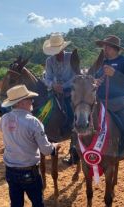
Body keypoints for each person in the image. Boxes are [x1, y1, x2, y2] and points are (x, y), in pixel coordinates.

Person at [0, 84, 58, 207]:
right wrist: (54, 147)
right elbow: (46, 149)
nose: (32, 102)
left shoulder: (4, 119)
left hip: (11, 170)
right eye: (29, 99)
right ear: (21, 102)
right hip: (29, 171)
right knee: (38, 205)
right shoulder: (33, 122)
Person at [94, 35, 124, 175]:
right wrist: (95, 82)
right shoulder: (101, 63)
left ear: (116, 49)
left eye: (108, 47)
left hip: (120, 102)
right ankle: (76, 152)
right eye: (104, 46)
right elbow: (96, 77)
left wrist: (115, 73)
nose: (105, 49)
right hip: (101, 103)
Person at [42, 32, 78, 165]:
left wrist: (64, 86)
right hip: (54, 90)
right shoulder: (49, 61)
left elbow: (76, 75)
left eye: (59, 50)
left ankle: (73, 148)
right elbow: (47, 78)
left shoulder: (71, 58)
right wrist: (53, 85)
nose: (57, 53)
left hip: (70, 90)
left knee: (75, 113)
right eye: (55, 51)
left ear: (63, 48)